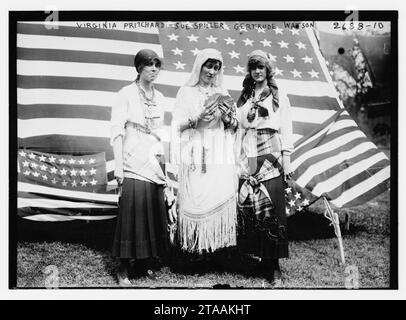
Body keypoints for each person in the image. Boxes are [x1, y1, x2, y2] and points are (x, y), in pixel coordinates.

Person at [110, 49, 175, 286]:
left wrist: (164, 162)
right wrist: (118, 166)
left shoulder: (161, 98)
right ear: (139, 68)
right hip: (132, 156)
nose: (154, 69)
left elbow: (161, 132)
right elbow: (116, 131)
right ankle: (124, 266)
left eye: (158, 65)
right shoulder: (125, 94)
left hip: (153, 157)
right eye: (149, 65)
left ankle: (145, 260)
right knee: (132, 211)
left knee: (150, 208)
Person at [172, 48, 239, 254]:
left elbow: (234, 127)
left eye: (216, 68)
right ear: (199, 66)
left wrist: (228, 119)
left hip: (219, 151)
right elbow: (177, 126)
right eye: (208, 66)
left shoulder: (224, 94)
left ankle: (215, 249)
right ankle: (194, 249)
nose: (212, 71)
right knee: (196, 196)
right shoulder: (186, 92)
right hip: (196, 149)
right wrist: (197, 118)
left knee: (217, 194)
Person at [236, 50, 294, 284]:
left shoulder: (278, 95)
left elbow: (286, 127)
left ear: (268, 69)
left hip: (271, 153)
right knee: (255, 207)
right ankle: (261, 260)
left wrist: (287, 158)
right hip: (250, 152)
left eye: (261, 67)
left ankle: (274, 265)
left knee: (273, 208)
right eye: (253, 67)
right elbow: (240, 126)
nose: (257, 71)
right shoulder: (245, 96)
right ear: (249, 71)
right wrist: (237, 157)